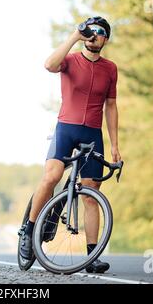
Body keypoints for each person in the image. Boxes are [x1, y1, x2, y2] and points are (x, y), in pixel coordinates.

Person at [20, 16, 121, 274]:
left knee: (91, 191)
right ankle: (29, 230)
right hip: (66, 128)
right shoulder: (71, 59)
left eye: (100, 32)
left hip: (92, 133)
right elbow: (48, 64)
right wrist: (74, 36)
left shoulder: (110, 68)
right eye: (91, 31)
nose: (95, 35)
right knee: (52, 176)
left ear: (105, 39)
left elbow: (111, 106)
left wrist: (115, 145)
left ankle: (92, 255)